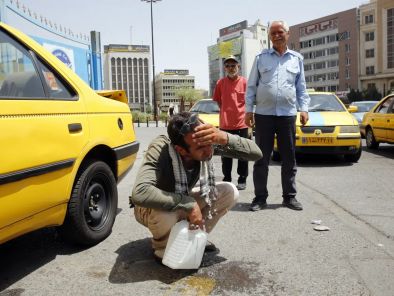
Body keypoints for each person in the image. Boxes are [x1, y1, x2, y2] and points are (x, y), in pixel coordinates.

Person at [130, 112, 262, 263]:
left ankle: (195, 236)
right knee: (167, 213)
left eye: (210, 142)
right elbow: (140, 193)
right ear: (181, 150)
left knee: (229, 192)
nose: (209, 150)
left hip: (181, 197)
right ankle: (163, 247)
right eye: (201, 148)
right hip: (151, 207)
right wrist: (189, 204)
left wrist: (223, 137)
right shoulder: (161, 149)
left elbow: (256, 154)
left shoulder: (204, 142)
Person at [245, 20, 310, 212]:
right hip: (263, 116)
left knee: (289, 158)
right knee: (261, 158)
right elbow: (251, 86)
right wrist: (249, 110)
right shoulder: (260, 58)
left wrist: (304, 109)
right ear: (269, 37)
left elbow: (301, 88)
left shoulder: (296, 59)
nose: (276, 35)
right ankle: (260, 198)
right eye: (272, 33)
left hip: (287, 115)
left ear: (287, 34)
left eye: (279, 32)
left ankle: (289, 197)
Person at [213, 55, 249, 190]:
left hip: (242, 124)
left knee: (242, 153)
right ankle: (227, 178)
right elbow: (218, 101)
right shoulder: (220, 83)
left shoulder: (245, 82)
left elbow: (250, 102)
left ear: (238, 66)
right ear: (224, 68)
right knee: (226, 154)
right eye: (227, 65)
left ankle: (242, 179)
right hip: (225, 125)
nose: (230, 68)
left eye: (233, 65)